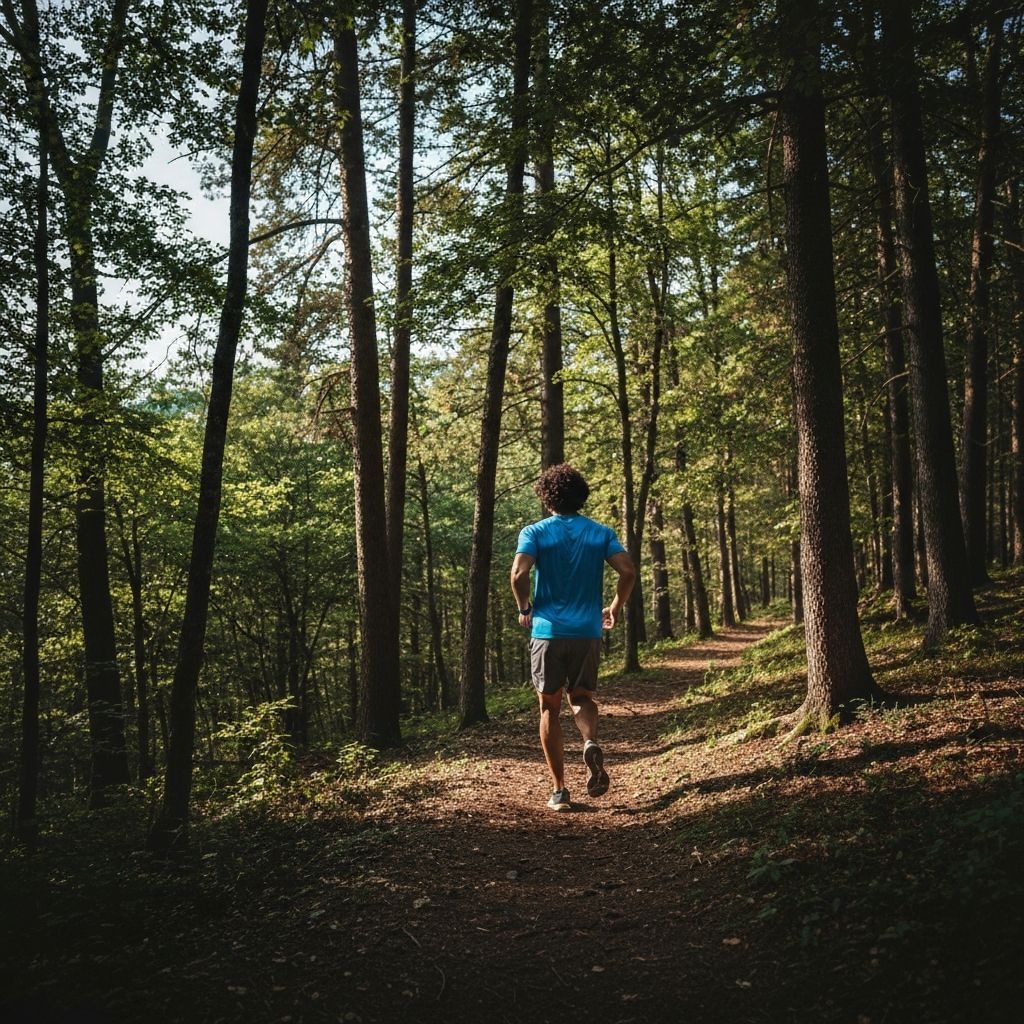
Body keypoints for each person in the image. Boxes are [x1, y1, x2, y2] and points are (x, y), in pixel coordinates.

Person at [510, 463, 636, 811]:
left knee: (549, 706)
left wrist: (525, 608)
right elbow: (627, 571)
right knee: (581, 697)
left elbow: (519, 574)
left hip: (548, 632)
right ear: (581, 496)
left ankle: (560, 790)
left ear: (547, 497)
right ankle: (590, 741)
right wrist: (614, 607)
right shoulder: (600, 532)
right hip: (587, 632)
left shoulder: (534, 532)